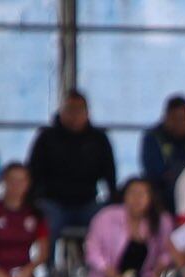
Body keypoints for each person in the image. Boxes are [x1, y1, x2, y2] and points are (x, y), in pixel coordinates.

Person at [27, 90, 117, 248]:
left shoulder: (99, 139)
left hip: (88, 202)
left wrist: (113, 202)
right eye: (69, 110)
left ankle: (99, 268)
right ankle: (48, 268)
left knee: (105, 221)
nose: (74, 115)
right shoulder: (46, 138)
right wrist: (32, 201)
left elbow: (110, 175)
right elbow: (32, 173)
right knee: (48, 223)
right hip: (53, 202)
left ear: (87, 113)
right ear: (61, 112)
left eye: (79, 110)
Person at [83, 178, 175, 277]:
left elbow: (168, 252)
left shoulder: (162, 220)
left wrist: (157, 274)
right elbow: (92, 252)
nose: (136, 199)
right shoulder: (106, 217)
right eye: (132, 193)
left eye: (142, 194)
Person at [140, 95, 185, 193]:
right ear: (166, 117)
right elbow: (154, 173)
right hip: (162, 192)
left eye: (182, 118)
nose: (178, 123)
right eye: (174, 118)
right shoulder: (154, 138)